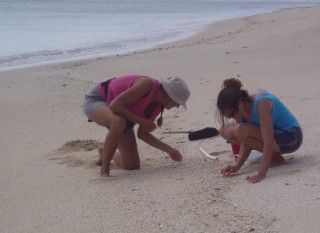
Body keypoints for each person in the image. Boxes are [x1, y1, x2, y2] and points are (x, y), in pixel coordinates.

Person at [83, 74, 190, 177]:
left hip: (122, 116)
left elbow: (143, 134)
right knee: (118, 121)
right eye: (178, 102)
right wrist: (143, 122)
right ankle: (104, 170)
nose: (177, 106)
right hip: (97, 100)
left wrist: (169, 149)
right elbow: (115, 105)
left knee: (131, 165)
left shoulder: (157, 106)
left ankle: (104, 151)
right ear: (169, 95)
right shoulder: (146, 84)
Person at [216, 78, 303, 183]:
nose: (232, 118)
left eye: (231, 114)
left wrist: (261, 173)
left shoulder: (262, 103)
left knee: (240, 130)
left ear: (239, 104)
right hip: (276, 134)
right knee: (225, 129)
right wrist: (237, 166)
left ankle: (276, 159)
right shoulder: (243, 104)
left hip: (292, 136)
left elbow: (269, 140)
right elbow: (246, 142)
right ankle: (273, 156)